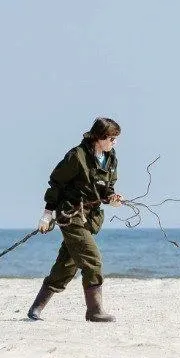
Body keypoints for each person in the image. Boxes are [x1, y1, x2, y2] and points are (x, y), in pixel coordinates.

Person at [26, 117, 125, 322]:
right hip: (70, 215)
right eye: (112, 139)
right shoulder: (76, 156)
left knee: (67, 264)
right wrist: (46, 215)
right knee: (92, 260)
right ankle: (94, 311)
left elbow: (106, 189)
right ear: (100, 137)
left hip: (90, 218)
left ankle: (36, 309)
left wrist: (112, 199)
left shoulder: (111, 157)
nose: (115, 143)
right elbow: (55, 185)